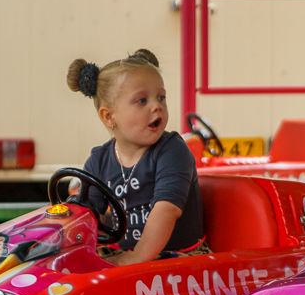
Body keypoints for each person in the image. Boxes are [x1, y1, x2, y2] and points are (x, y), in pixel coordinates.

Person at [66, 49, 207, 266]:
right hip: (131, 256)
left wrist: (138, 256)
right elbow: (86, 214)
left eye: (161, 97)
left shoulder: (172, 151)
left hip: (181, 260)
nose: (156, 105)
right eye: (142, 100)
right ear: (109, 116)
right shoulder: (99, 160)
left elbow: (166, 209)